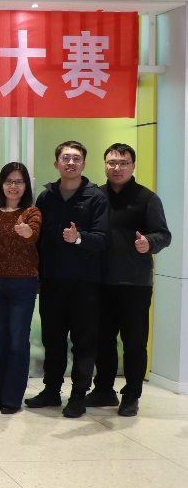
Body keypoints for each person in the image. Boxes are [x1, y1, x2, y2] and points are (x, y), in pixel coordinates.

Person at [86, 143, 171, 417]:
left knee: (134, 342)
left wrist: (149, 242)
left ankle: (132, 394)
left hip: (135, 283)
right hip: (101, 281)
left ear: (133, 166)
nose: (117, 168)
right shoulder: (96, 196)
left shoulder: (147, 198)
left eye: (123, 163)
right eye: (112, 162)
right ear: (105, 165)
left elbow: (164, 235)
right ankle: (104, 390)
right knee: (103, 341)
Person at [27, 141, 110, 418]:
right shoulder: (46, 197)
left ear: (83, 164)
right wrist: (38, 274)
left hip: (85, 284)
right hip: (52, 282)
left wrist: (79, 238)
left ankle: (78, 396)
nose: (70, 162)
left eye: (76, 158)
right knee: (53, 340)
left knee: (84, 343)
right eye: (65, 158)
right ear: (56, 163)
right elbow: (39, 241)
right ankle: (51, 390)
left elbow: (103, 239)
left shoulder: (96, 197)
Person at [0, 162, 42, 415]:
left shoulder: (32, 212)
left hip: (23, 283)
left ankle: (12, 398)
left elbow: (34, 234)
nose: (13, 186)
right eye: (9, 181)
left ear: (26, 186)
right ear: (2, 185)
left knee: (18, 341)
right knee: (1, 341)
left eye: (19, 182)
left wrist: (26, 231)